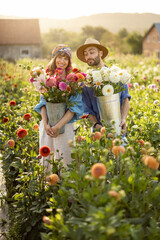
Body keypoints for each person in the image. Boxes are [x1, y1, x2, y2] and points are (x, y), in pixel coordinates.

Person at [35, 44, 84, 172]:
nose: (62, 61)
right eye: (59, 57)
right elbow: (43, 104)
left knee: (66, 162)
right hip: (48, 126)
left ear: (69, 62)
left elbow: (74, 108)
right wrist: (45, 124)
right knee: (46, 162)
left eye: (65, 58)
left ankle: (65, 190)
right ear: (54, 58)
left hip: (66, 126)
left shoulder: (73, 80)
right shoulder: (47, 78)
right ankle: (47, 188)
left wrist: (58, 126)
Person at [76, 38, 131, 142]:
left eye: (92, 52)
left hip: (119, 127)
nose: (88, 56)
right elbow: (87, 108)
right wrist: (96, 124)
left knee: (120, 156)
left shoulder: (116, 74)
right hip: (98, 133)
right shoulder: (86, 82)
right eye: (86, 54)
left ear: (100, 53)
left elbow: (125, 99)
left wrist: (123, 119)